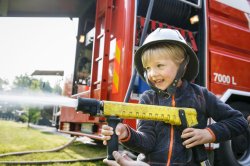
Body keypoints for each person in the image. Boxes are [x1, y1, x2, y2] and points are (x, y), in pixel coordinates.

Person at [101, 28, 248, 166]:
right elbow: (147, 142)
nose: (152, 74)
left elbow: (239, 121)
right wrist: (126, 133)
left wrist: (209, 133)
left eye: (159, 65)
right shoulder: (148, 98)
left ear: (182, 64)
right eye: (148, 68)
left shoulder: (200, 95)